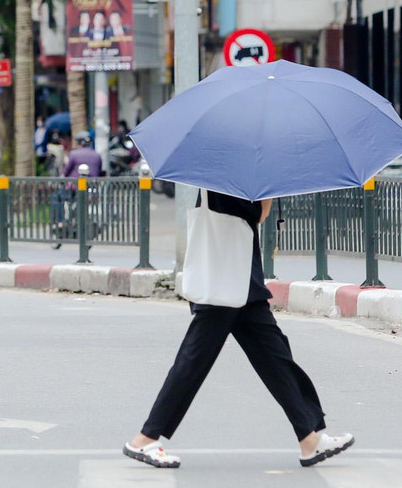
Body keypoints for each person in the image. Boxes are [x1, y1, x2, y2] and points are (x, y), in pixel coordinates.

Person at [124, 191, 354, 469]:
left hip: (241, 283)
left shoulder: (228, 172)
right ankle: (146, 437)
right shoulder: (230, 177)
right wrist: (269, 191)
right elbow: (259, 215)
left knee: (276, 357)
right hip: (224, 283)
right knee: (193, 361)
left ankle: (309, 438)